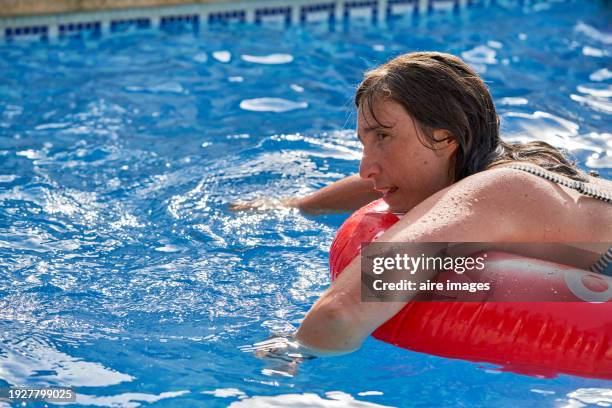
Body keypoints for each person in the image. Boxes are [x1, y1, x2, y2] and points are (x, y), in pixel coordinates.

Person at [233, 51, 612, 355]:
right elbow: (375, 184)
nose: (367, 166)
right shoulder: (501, 167)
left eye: (383, 136)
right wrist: (298, 205)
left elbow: (340, 313)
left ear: (445, 137)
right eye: (364, 143)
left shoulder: (493, 192)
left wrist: (291, 352)